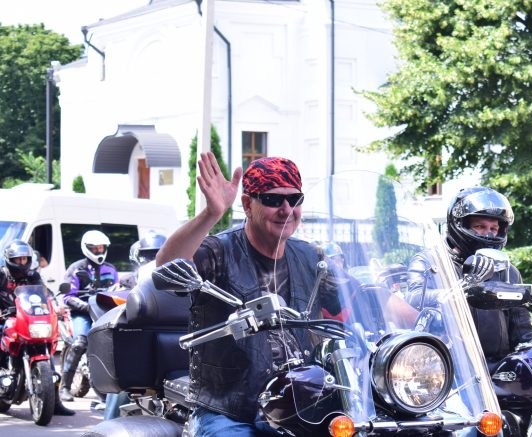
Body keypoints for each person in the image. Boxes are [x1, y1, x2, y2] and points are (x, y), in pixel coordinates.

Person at [155, 153, 347, 436]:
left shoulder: (310, 257)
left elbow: (359, 297)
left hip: (298, 402)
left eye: (294, 199)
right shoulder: (219, 252)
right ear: (247, 204)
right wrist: (211, 214)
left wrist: (416, 320)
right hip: (230, 409)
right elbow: (167, 265)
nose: (286, 209)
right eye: (272, 199)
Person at [406, 187, 532, 371]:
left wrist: (526, 358)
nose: (488, 234)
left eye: (493, 228)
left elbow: (522, 329)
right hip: (446, 368)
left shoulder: (506, 270)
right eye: (480, 227)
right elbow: (413, 300)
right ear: (460, 225)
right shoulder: (430, 262)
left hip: (498, 369)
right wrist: (465, 288)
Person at [0, 240, 75, 416]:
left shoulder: (32, 275)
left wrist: (55, 305)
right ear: (10, 259)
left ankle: (54, 403)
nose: (22, 263)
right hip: (5, 318)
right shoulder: (2, 275)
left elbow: (45, 293)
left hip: (26, 318)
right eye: (18, 259)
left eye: (25, 259)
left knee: (46, 353)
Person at [102, 231, 168, 421]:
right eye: (150, 254)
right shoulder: (129, 280)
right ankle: (107, 427)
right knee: (124, 378)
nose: (154, 258)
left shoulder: (183, 271)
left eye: (157, 253)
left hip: (169, 344)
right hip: (149, 341)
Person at [59, 230, 119, 402]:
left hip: (106, 312)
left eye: (101, 248)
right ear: (87, 248)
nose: (99, 251)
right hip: (82, 313)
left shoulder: (111, 269)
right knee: (79, 344)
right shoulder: (76, 269)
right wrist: (86, 306)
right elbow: (67, 297)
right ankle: (64, 387)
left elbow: (117, 290)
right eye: (95, 248)